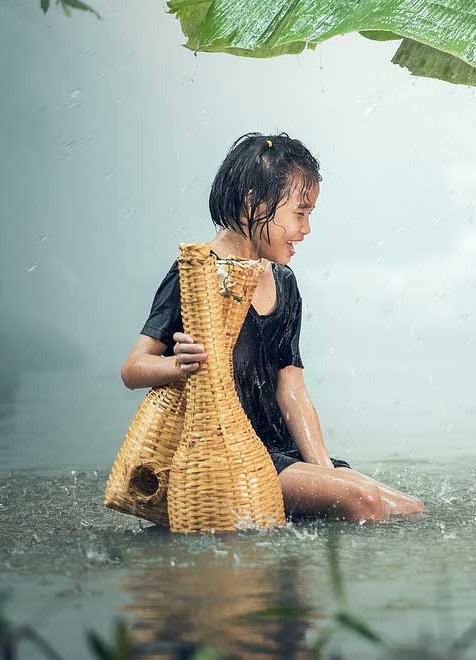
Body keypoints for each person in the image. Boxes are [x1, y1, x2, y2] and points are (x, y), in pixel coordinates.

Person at [121, 132, 425, 523]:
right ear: (254, 202)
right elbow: (132, 368)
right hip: (233, 457)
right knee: (363, 499)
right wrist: (176, 366)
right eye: (300, 213)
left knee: (410, 509)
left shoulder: (283, 282)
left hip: (282, 453)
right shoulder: (197, 275)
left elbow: (292, 389)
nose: (307, 228)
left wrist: (325, 472)